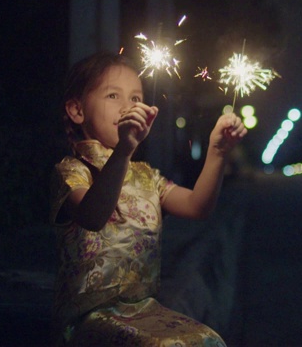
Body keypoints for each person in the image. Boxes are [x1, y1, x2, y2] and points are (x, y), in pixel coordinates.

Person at [49, 51, 246, 346]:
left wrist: (217, 152)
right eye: (113, 96)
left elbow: (197, 206)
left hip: (144, 310)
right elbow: (92, 216)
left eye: (136, 98)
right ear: (77, 110)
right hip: (87, 317)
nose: (128, 106)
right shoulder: (72, 171)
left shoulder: (146, 176)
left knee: (209, 340)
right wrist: (125, 149)